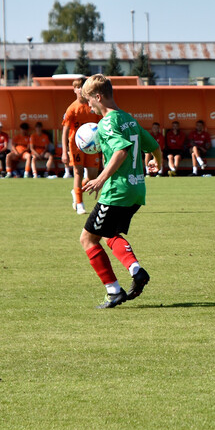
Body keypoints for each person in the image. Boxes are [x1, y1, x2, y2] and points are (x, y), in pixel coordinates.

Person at [79, 75, 163, 309]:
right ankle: (136, 271)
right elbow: (154, 146)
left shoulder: (106, 123)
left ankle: (113, 291)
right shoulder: (128, 118)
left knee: (87, 239)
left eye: (89, 101)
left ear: (98, 96)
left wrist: (99, 180)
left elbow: (121, 151)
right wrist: (157, 163)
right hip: (136, 190)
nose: (89, 106)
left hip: (118, 190)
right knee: (108, 234)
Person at [61, 78, 100, 213]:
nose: (80, 90)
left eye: (82, 87)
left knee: (92, 176)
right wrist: (64, 151)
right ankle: (79, 204)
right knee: (78, 172)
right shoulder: (72, 108)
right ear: (74, 90)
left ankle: (76, 191)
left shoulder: (93, 106)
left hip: (92, 146)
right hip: (76, 145)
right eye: (77, 87)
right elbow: (65, 130)